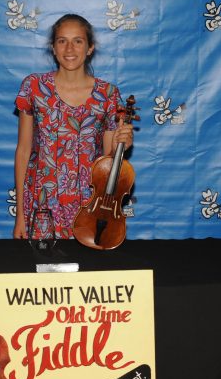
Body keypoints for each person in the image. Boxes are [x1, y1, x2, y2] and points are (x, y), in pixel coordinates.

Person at [13, 13, 134, 240]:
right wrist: (20, 214)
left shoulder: (107, 94)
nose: (69, 48)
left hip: (88, 205)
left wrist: (121, 147)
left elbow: (107, 160)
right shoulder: (34, 87)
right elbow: (23, 151)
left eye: (78, 41)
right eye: (62, 41)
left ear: (90, 48)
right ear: (53, 47)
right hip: (42, 204)